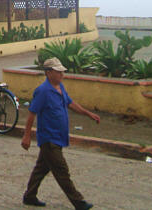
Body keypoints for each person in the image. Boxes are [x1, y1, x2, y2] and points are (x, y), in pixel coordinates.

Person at [21, 58, 100, 209]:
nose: (62, 75)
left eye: (62, 72)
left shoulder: (60, 87)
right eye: (58, 72)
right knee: (62, 171)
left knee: (41, 168)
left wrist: (89, 114)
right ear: (49, 73)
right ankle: (79, 202)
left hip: (59, 136)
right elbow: (32, 113)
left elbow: (70, 103)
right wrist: (26, 136)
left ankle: (29, 196)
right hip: (49, 138)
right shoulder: (43, 91)